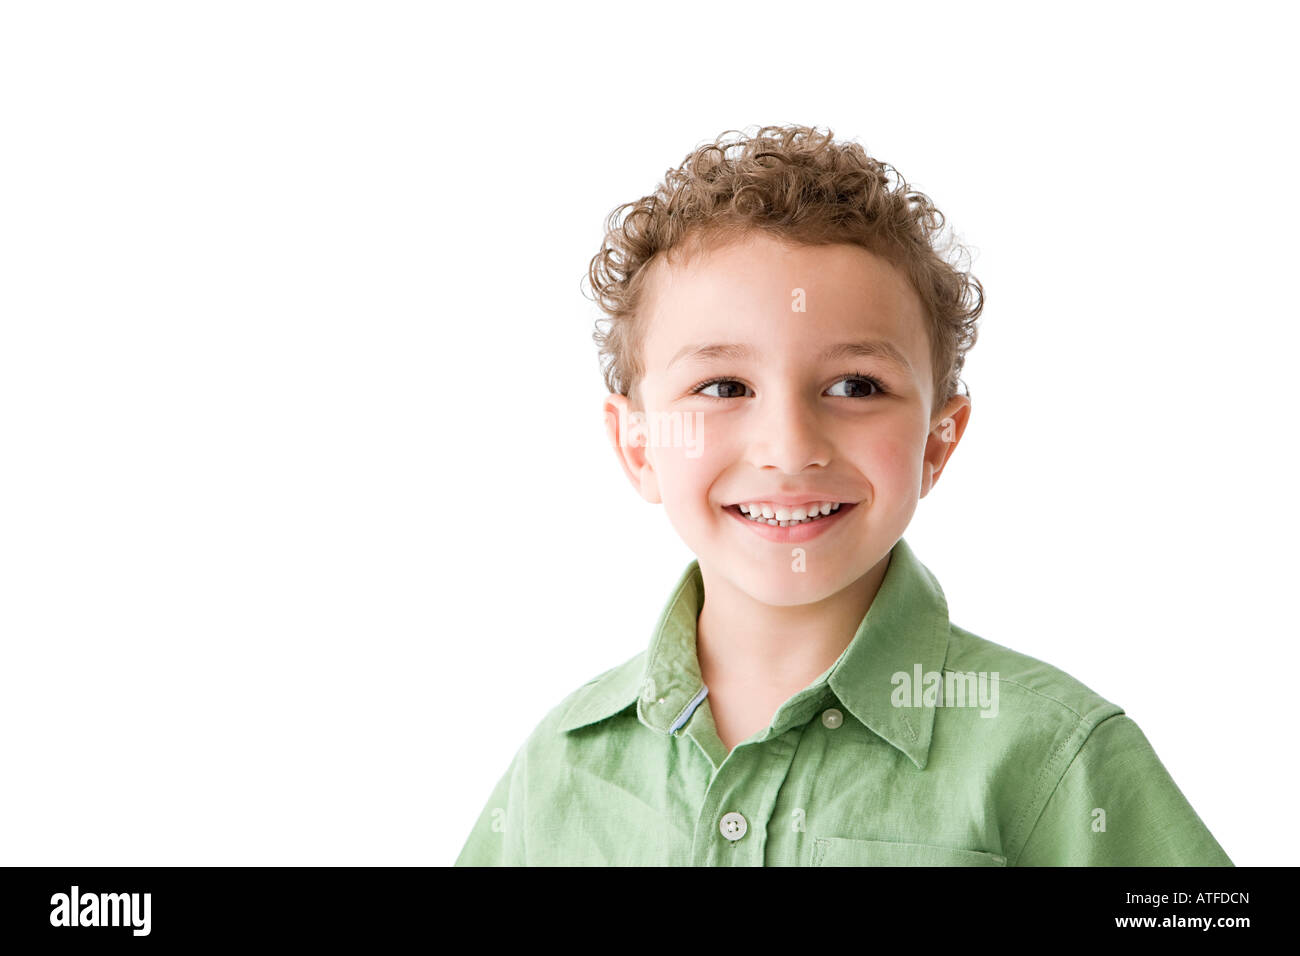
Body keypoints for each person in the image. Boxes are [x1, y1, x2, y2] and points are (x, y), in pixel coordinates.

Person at [454, 124, 1232, 866]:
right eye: (724, 386)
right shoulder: (557, 770)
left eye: (855, 386)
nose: (790, 448)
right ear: (637, 444)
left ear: (937, 441)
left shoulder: (1055, 754)